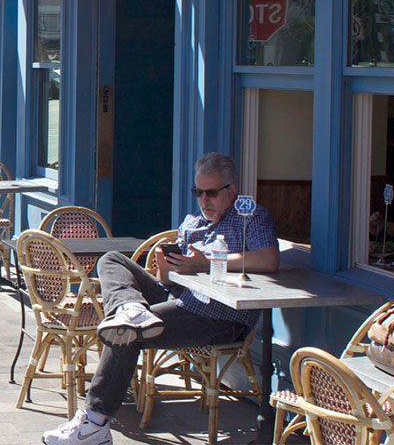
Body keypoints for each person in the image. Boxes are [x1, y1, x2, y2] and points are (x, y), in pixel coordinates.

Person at [42, 152, 279, 445]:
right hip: (181, 298)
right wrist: (165, 270)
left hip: (220, 315)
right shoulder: (193, 222)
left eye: (212, 193)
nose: (204, 200)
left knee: (126, 332)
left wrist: (205, 263)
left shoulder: (251, 217)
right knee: (112, 260)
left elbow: (268, 259)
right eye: (198, 192)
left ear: (231, 190)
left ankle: (95, 423)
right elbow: (170, 281)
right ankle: (130, 307)